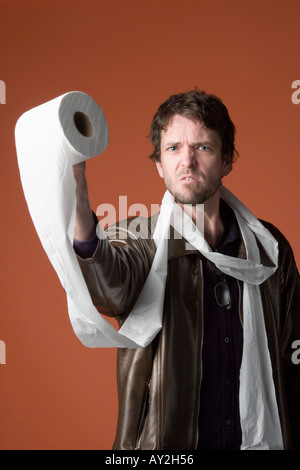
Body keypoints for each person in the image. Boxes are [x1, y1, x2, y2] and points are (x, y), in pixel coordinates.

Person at [72, 90, 300, 450]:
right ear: (159, 165)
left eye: (203, 148)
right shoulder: (137, 239)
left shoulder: (269, 249)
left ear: (227, 160)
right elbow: (106, 285)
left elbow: (292, 362)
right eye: (174, 148)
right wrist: (79, 202)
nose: (187, 162)